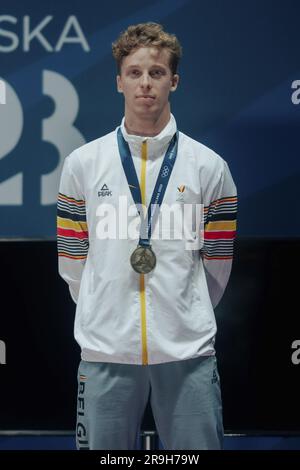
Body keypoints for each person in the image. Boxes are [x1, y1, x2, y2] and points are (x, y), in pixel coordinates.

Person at [57, 22, 237, 450]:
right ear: (119, 81)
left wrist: (181, 310)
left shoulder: (209, 167)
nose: (145, 84)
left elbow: (217, 266)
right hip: (105, 353)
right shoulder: (83, 164)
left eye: (156, 73)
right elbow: (73, 262)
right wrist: (107, 313)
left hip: (187, 353)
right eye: (134, 73)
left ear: (173, 81)